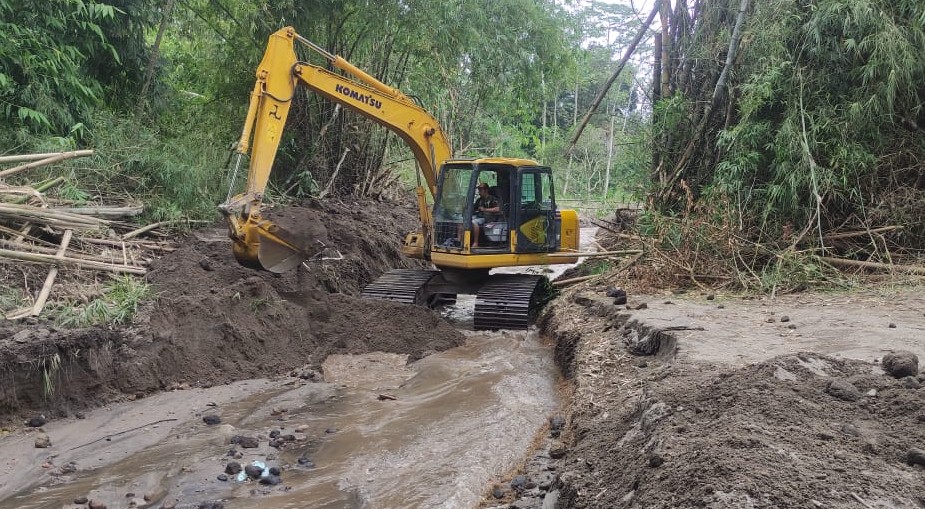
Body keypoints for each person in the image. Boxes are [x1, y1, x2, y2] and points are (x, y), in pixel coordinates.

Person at [470, 182, 501, 248]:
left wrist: (485, 209)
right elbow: (474, 209)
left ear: (486, 190)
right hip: (478, 216)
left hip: (488, 218)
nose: (479, 192)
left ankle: (475, 243)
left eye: (480, 189)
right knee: (462, 220)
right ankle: (460, 241)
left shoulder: (492, 199)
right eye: (478, 189)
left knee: (474, 222)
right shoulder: (479, 200)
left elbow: (498, 209)